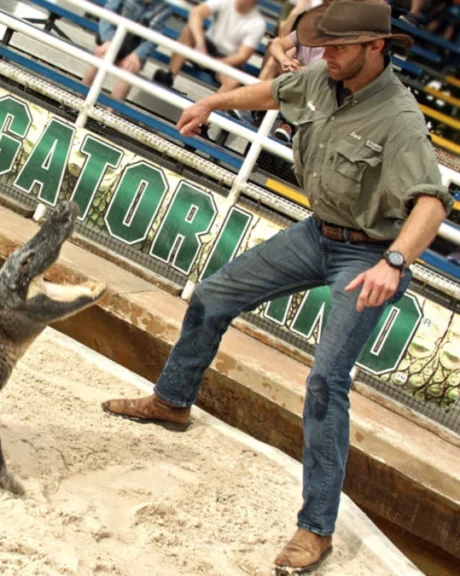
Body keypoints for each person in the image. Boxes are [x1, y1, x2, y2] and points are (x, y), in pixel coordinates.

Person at [100, 0, 453, 574]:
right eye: (326, 46)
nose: (326, 55)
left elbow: (432, 205)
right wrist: (214, 100)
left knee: (326, 381)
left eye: (338, 47)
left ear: (376, 47)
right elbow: (271, 96)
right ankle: (171, 400)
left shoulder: (400, 117)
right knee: (213, 295)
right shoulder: (324, 75)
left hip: (368, 254)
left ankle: (316, 528)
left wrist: (393, 261)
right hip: (318, 233)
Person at [152, 0, 267, 95]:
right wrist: (200, 44)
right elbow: (196, 13)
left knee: (232, 82)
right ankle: (169, 77)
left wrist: (215, 62)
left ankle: (207, 116)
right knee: (189, 30)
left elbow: (242, 56)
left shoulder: (257, 23)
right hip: (206, 47)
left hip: (227, 60)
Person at [254, 6, 327, 141]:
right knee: (274, 61)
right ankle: (253, 106)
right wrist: (285, 61)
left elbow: (322, 70)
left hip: (312, 85)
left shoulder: (333, 45)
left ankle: (289, 125)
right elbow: (276, 44)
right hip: (293, 75)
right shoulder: (304, 32)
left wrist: (297, 68)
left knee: (312, 79)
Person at [82, 0, 173, 102]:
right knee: (101, 55)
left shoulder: (163, 7)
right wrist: (108, 40)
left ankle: (111, 112)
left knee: (131, 67)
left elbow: (153, 38)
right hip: (111, 35)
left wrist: (137, 55)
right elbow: (107, 14)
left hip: (133, 46)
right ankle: (81, 99)